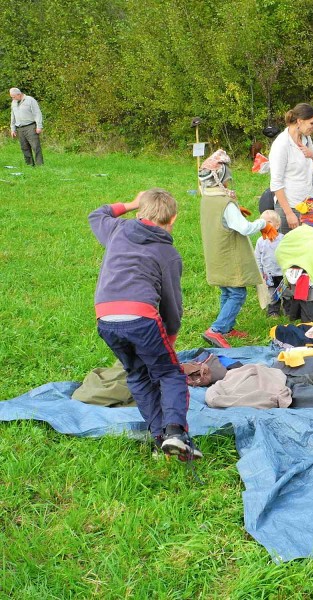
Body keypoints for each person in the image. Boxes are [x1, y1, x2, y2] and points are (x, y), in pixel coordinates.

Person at [89, 189, 202, 460]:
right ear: (173, 218)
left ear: (140, 212)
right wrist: (171, 335)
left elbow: (97, 214)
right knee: (170, 373)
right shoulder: (168, 253)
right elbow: (172, 303)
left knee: (138, 374)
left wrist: (129, 203)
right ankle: (175, 432)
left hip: (105, 318)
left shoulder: (118, 229)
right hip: (141, 317)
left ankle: (159, 439)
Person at [198, 149, 266, 349]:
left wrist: (235, 212)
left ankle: (227, 327)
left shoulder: (208, 198)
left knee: (226, 291)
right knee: (237, 293)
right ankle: (217, 329)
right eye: (227, 178)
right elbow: (245, 228)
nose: (229, 182)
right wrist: (263, 222)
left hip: (215, 254)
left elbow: (222, 220)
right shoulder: (225, 203)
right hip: (229, 256)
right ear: (220, 178)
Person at [269, 103, 313, 233]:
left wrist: (311, 156)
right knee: (289, 250)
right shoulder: (281, 145)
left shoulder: (306, 138)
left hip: (309, 203)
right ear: (299, 121)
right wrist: (289, 214)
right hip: (289, 205)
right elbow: (276, 184)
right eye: (312, 123)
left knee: (308, 248)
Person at [255, 210, 284, 317]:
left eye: (269, 222)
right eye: (263, 222)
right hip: (268, 273)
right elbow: (257, 257)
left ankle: (289, 310)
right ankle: (273, 312)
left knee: (286, 292)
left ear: (277, 225)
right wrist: (260, 271)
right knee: (271, 293)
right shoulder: (260, 241)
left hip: (282, 272)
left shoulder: (283, 239)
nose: (266, 225)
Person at [9, 87, 44, 166]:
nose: (12, 98)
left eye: (13, 97)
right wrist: (13, 129)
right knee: (24, 147)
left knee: (35, 146)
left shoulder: (30, 100)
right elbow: (12, 116)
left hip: (30, 126)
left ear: (19, 94)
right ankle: (29, 165)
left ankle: (40, 165)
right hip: (20, 128)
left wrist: (39, 126)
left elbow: (37, 113)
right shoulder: (14, 102)